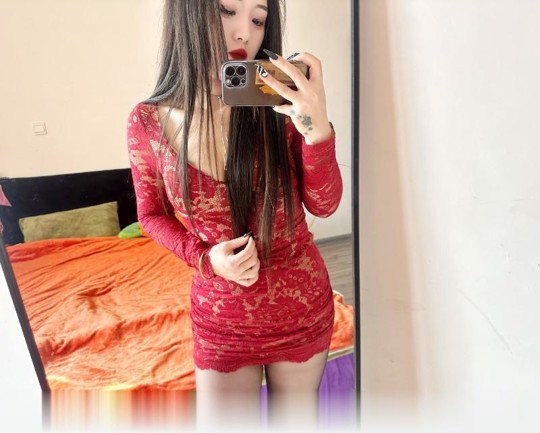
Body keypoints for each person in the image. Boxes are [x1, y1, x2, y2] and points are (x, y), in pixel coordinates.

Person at [126, 0, 342, 430]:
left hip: (300, 306)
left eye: (258, 19)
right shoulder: (147, 122)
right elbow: (150, 214)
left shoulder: (282, 109)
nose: (245, 32)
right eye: (227, 10)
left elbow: (324, 204)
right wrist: (205, 257)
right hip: (220, 317)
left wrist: (316, 128)